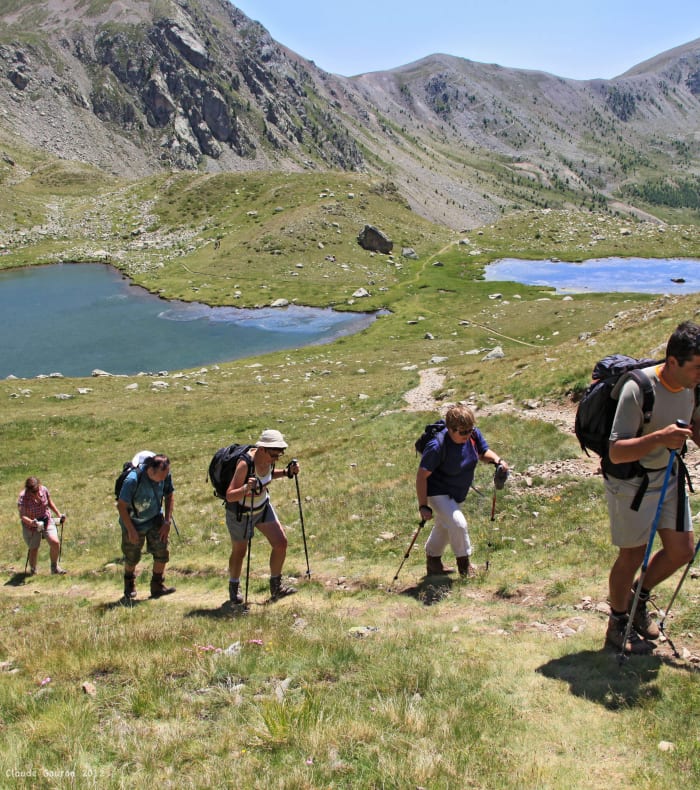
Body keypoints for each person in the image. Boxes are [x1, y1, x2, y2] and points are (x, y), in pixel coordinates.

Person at [605, 320, 700, 654]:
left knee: (682, 551)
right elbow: (616, 452)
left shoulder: (693, 386)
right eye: (697, 367)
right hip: (631, 481)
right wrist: (660, 438)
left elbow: (695, 428)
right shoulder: (638, 388)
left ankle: (637, 599)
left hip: (670, 473)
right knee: (631, 554)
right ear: (673, 362)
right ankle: (617, 624)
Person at [416, 404, 509, 577]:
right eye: (462, 432)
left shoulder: (472, 435)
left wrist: (498, 461)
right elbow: (421, 476)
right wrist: (423, 506)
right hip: (437, 492)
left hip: (458, 492)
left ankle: (433, 563)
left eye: (469, 430)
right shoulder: (437, 445)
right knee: (458, 523)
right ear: (451, 429)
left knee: (444, 525)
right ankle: (465, 567)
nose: (467, 435)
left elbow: (483, 452)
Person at [225, 429, 300, 604]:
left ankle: (276, 587)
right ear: (263, 449)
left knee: (281, 543)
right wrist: (245, 489)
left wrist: (287, 473)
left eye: (280, 454)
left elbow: (267, 475)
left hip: (262, 508)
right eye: (274, 454)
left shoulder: (268, 461)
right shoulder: (245, 464)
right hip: (240, 514)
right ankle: (234, 588)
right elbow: (230, 495)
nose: (277, 458)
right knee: (240, 551)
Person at [117, 453, 176, 600]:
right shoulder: (133, 480)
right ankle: (129, 583)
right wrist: (130, 529)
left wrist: (167, 522)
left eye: (165, 475)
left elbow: (169, 495)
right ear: (150, 470)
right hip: (133, 523)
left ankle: (157, 586)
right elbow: (121, 506)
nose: (163, 480)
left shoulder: (165, 474)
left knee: (162, 551)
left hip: (156, 519)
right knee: (132, 556)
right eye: (161, 477)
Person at [17, 476, 66, 575]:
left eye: (36, 490)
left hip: (46, 520)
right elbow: (22, 516)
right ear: (28, 490)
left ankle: (54, 567)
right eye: (32, 492)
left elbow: (49, 503)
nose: (35, 493)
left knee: (55, 542)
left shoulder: (44, 490)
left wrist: (59, 514)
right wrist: (32, 522)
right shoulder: (23, 497)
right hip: (31, 525)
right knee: (34, 548)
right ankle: (33, 570)